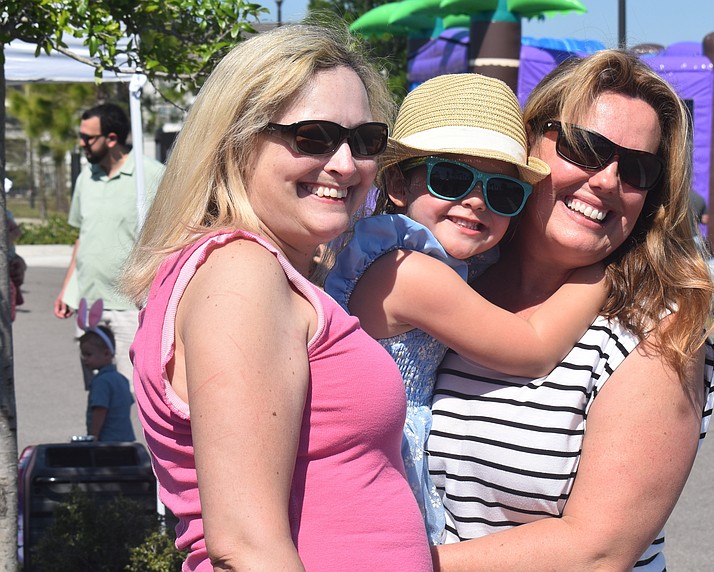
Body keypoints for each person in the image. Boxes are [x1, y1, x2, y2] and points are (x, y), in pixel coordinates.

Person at [120, 23, 431, 571]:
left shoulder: (263, 274)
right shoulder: (241, 273)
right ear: (236, 140)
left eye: (364, 141)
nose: (344, 163)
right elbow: (245, 546)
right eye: (313, 136)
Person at [427, 50, 714, 571]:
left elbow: (597, 552)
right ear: (529, 147)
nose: (607, 180)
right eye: (585, 148)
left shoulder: (657, 328)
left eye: (636, 169)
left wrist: (395, 562)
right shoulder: (454, 279)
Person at [325, 73, 607, 545]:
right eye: (451, 178)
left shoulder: (425, 258)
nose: (476, 200)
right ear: (396, 182)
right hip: (378, 466)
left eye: (503, 193)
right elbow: (532, 348)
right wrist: (601, 274)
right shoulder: (410, 273)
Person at [54, 102, 165, 387]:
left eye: (88, 138)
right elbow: (83, 238)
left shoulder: (150, 176)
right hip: (89, 305)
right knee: (97, 394)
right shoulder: (85, 180)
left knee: (131, 395)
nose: (81, 144)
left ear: (112, 138)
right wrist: (69, 291)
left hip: (131, 307)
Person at [77, 322, 136, 442]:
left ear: (106, 354)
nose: (85, 359)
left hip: (107, 442)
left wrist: (94, 436)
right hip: (126, 440)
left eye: (88, 354)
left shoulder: (101, 382)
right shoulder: (121, 379)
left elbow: (100, 410)